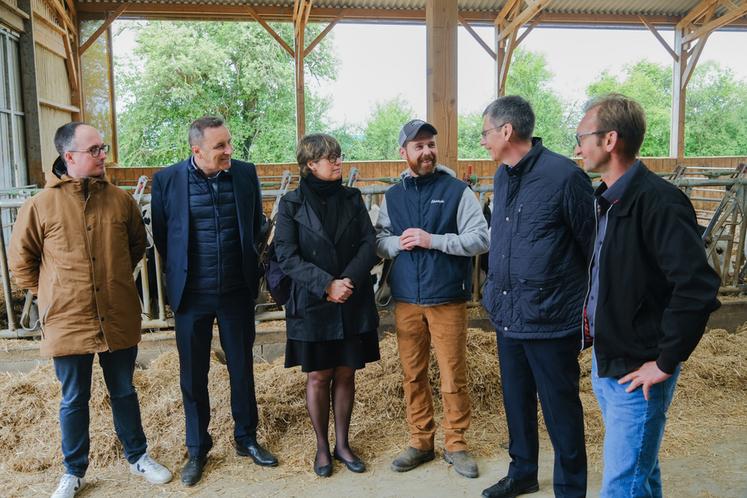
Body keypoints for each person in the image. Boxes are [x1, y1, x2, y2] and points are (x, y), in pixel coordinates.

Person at [8, 122, 172, 498]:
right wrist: (51, 293)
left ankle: (138, 456)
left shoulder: (120, 200)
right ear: (69, 157)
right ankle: (74, 470)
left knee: (124, 390)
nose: (103, 155)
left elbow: (136, 248)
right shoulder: (39, 206)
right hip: (68, 319)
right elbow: (21, 264)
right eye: (95, 149)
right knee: (73, 398)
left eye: (103, 147)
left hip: (116, 313)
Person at [575, 93, 721, 498]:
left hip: (641, 368)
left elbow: (697, 285)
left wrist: (665, 360)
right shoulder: (606, 199)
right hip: (610, 359)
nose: (577, 147)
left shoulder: (658, 202)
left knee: (621, 485)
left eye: (582, 136)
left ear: (609, 141)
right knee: (642, 468)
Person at [150, 116, 277, 486]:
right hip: (192, 295)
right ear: (197, 150)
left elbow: (255, 226)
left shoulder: (244, 173)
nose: (229, 151)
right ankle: (197, 448)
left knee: (242, 368)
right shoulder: (167, 180)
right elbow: (163, 235)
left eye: (229, 143)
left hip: (236, 291)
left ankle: (246, 438)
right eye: (220, 146)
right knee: (193, 375)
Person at [479, 96, 593, 498]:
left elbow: (590, 247)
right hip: (509, 314)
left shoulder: (565, 176)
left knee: (560, 408)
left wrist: (581, 307)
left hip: (550, 317)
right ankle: (523, 471)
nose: (484, 142)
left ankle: (570, 488)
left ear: (506, 131)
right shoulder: (502, 175)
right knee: (517, 401)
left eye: (485, 133)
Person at [375, 119, 489, 479]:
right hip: (406, 298)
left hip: (446, 298)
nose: (426, 151)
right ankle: (421, 441)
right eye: (418, 146)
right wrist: (397, 243)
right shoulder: (392, 196)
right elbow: (379, 240)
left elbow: (481, 239)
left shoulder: (457, 190)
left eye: (430, 144)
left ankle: (455, 444)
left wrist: (434, 240)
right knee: (413, 374)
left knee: (453, 373)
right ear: (403, 153)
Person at [274, 133, 381, 477]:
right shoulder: (290, 204)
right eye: (329, 158)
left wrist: (346, 281)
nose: (338, 162)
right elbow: (287, 256)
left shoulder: (352, 198)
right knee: (319, 375)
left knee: (347, 371)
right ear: (310, 165)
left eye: (338, 156)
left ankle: (343, 444)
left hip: (351, 296)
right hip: (313, 300)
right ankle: (322, 447)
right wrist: (326, 285)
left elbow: (369, 242)